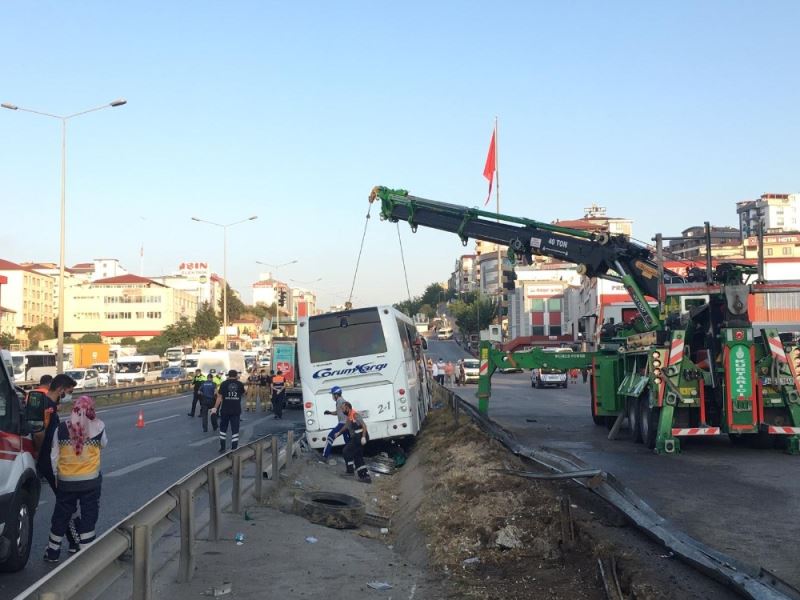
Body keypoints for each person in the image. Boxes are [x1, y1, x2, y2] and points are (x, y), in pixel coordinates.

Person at [44, 396, 107, 562]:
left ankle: (52, 551)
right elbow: (104, 444)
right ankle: (86, 548)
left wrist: (56, 475)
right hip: (90, 480)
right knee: (89, 513)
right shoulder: (99, 426)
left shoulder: (61, 428)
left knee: (61, 514)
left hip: (66, 481)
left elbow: (54, 455)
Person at [334, 401, 371, 483]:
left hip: (360, 437)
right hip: (356, 437)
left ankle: (351, 471)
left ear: (347, 408)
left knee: (346, 451)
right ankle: (365, 476)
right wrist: (339, 433)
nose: (342, 411)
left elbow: (364, 426)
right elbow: (346, 425)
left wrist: (363, 437)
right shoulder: (349, 415)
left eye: (343, 409)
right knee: (357, 456)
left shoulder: (355, 415)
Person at [211, 370, 246, 452]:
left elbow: (219, 397)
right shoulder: (240, 384)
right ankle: (234, 447)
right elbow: (244, 393)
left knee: (223, 429)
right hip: (236, 410)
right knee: (235, 429)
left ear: (228, 375)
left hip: (225, 410)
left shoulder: (223, 384)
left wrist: (215, 408)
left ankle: (222, 447)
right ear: (236, 375)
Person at [321, 386, 349, 465]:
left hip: (342, 424)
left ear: (336, 395)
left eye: (333, 395)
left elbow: (346, 411)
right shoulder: (340, 401)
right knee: (348, 442)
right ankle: (352, 458)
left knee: (330, 437)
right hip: (346, 424)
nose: (332, 397)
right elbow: (338, 412)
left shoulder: (341, 401)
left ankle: (324, 456)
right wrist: (330, 413)